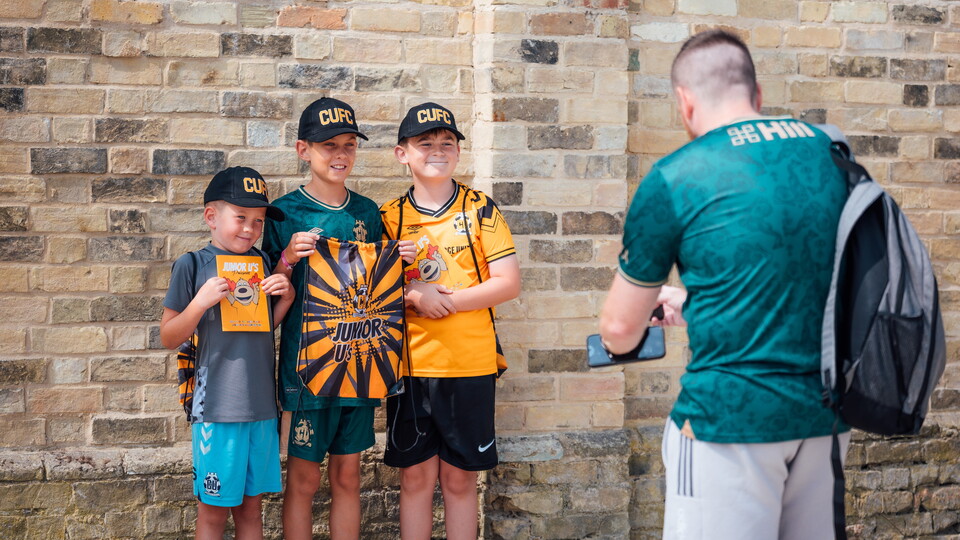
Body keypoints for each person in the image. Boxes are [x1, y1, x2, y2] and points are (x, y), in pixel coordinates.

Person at [599, 30, 851, 540]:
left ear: (684, 101)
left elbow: (619, 330)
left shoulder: (675, 177)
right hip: (825, 415)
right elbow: (804, 281)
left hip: (726, 420)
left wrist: (632, 329)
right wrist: (698, 304)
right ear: (756, 95)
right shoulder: (831, 152)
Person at [261, 97, 414, 540]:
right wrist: (288, 257)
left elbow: (383, 286)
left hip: (360, 364)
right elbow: (264, 298)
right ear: (302, 149)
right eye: (329, 145)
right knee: (304, 482)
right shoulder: (283, 213)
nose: (341, 154)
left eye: (349, 144)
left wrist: (401, 261)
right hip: (307, 371)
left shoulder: (368, 213)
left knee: (349, 478)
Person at [380, 102, 521, 540]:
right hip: (412, 370)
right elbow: (370, 295)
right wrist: (412, 294)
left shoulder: (480, 208)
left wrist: (449, 301)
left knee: (460, 482)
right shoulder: (388, 218)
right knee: (415, 481)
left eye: (448, 143)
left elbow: (508, 283)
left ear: (459, 151)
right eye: (425, 143)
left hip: (470, 367)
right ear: (403, 153)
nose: (438, 151)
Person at [160, 166, 294, 540]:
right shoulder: (191, 265)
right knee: (214, 512)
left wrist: (286, 296)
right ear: (211, 217)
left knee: (252, 511)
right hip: (217, 409)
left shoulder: (261, 263)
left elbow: (263, 328)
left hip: (262, 409)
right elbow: (169, 336)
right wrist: (200, 303)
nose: (250, 229)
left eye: (258, 220)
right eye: (240, 218)